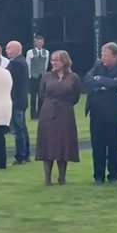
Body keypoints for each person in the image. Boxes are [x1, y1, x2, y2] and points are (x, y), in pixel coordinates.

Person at [83, 42, 117, 184]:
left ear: (115, 56)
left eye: (105, 56)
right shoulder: (98, 65)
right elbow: (87, 79)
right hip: (96, 113)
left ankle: (113, 175)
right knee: (97, 145)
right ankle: (98, 176)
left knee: (113, 145)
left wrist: (99, 80)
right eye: (102, 55)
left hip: (114, 114)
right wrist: (105, 83)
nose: (102, 58)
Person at [36, 49, 82, 185]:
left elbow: (76, 96)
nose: (53, 63)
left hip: (65, 113)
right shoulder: (47, 77)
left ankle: (62, 177)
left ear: (64, 61)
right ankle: (47, 178)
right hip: (48, 112)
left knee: (64, 143)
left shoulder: (73, 77)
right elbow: (41, 94)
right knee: (48, 144)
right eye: (52, 60)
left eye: (57, 60)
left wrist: (65, 104)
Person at [6, 40, 31, 164]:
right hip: (21, 99)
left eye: (9, 48)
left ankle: (21, 155)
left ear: (17, 49)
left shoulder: (16, 63)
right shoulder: (21, 61)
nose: (6, 50)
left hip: (16, 100)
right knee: (22, 128)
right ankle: (26, 154)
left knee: (18, 129)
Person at [26, 35, 50, 119]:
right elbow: (28, 64)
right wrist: (29, 75)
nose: (39, 43)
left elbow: (46, 64)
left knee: (41, 95)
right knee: (33, 96)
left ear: (43, 43)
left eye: (41, 42)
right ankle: (33, 115)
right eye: (38, 42)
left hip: (42, 76)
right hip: (33, 76)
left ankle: (40, 113)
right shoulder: (30, 52)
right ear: (35, 43)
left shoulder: (46, 52)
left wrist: (44, 74)